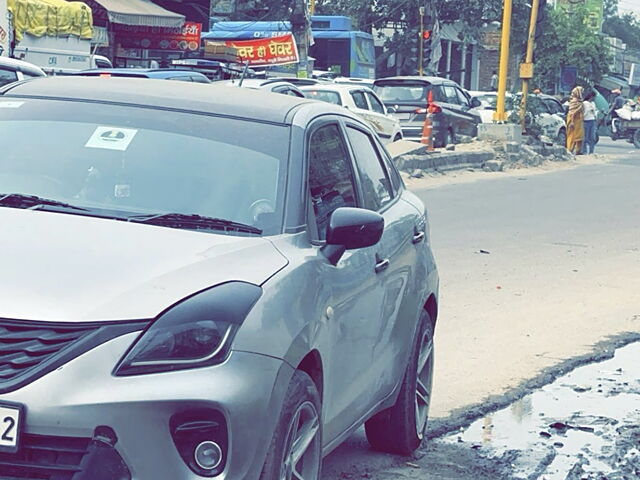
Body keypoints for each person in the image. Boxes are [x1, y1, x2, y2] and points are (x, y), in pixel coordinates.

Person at [566, 86, 584, 155]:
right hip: (574, 122)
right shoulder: (575, 102)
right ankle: (571, 150)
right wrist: (572, 122)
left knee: (575, 136)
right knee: (574, 136)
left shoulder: (575, 101)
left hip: (576, 121)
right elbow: (573, 113)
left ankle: (575, 150)